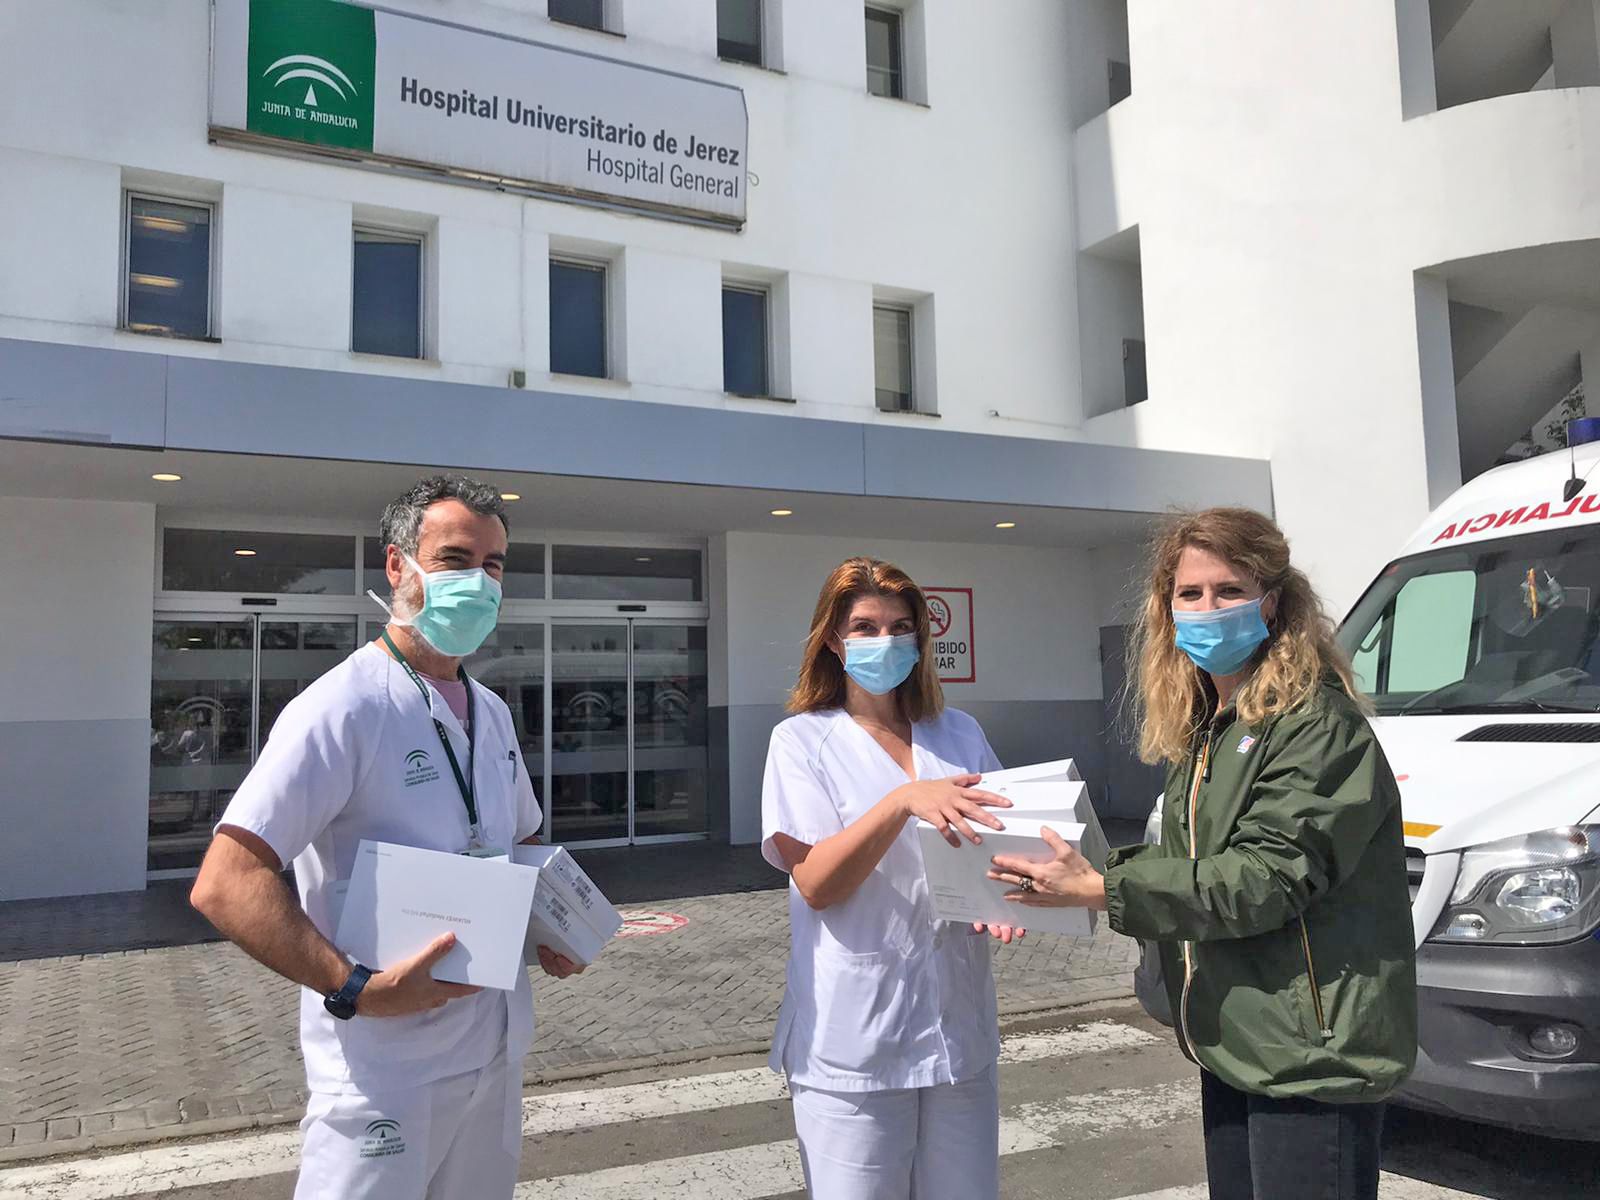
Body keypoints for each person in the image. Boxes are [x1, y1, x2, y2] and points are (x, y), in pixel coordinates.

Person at [988, 508, 1417, 1200]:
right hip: (1236, 1039)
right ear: (1168, 609)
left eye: (1230, 590)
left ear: (1272, 603)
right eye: (1190, 594)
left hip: (1309, 1055)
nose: (1208, 609)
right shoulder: (1212, 728)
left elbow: (1265, 878)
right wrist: (1074, 870)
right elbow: (1198, 861)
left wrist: (1105, 887)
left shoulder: (1313, 726)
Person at [190, 475, 583, 1200]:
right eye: (456, 559)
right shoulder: (344, 707)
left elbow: (520, 841)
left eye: (493, 565)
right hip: (383, 1078)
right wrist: (354, 988)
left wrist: (554, 923)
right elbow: (227, 881)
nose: (480, 581)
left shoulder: (490, 712)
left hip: (491, 1060)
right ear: (399, 568)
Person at [761, 556, 1019, 1200]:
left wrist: (1012, 891)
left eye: (901, 627)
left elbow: (996, 842)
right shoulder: (801, 741)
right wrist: (902, 801)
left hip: (958, 1032)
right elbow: (818, 882)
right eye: (866, 627)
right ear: (832, 640)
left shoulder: (957, 732)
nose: (887, 641)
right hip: (855, 1042)